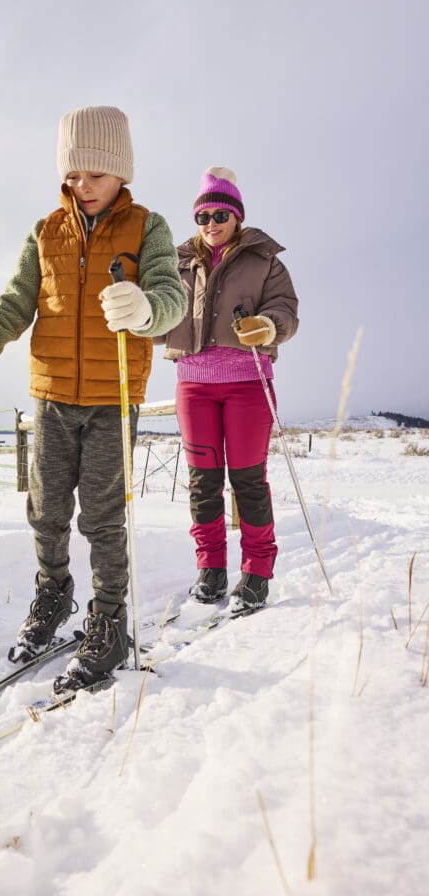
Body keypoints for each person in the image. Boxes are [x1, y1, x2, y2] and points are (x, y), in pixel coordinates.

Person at [0, 106, 187, 687]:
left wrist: (148, 310)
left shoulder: (149, 228)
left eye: (94, 174)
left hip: (111, 395)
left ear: (121, 172)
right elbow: (14, 304)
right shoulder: (45, 230)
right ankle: (53, 595)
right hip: (50, 396)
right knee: (46, 510)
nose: (82, 185)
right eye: (73, 174)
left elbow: (171, 295)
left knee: (102, 516)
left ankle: (108, 620)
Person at [159, 166, 298, 611]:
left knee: (247, 480)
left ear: (237, 215)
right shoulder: (177, 262)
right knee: (203, 482)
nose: (212, 224)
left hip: (247, 385)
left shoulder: (265, 261)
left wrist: (268, 325)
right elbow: (159, 315)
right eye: (203, 216)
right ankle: (211, 569)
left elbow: (286, 310)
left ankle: (257, 572)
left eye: (220, 214)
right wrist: (136, 310)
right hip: (193, 385)